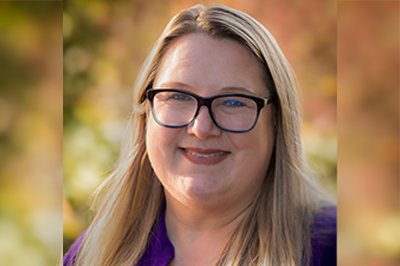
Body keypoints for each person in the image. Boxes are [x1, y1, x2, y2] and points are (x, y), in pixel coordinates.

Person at [63, 3, 336, 266]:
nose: (201, 128)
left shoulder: (331, 249)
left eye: (233, 101)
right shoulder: (97, 252)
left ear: (277, 121)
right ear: (146, 113)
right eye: (178, 96)